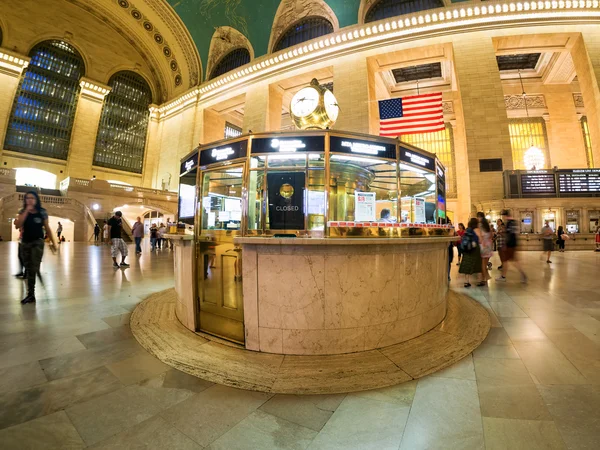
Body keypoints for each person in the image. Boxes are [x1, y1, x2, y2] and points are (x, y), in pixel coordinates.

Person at [14, 191, 56, 304]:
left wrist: (53, 243)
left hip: (37, 243)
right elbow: (17, 225)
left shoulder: (42, 212)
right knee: (29, 268)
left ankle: (31, 294)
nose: (30, 200)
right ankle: (32, 293)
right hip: (25, 243)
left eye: (32, 198)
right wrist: (27, 211)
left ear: (36, 199)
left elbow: (47, 228)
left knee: (32, 268)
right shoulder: (23, 211)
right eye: (27, 198)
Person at [496, 210, 527, 283]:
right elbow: (515, 233)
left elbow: (508, 235)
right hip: (514, 243)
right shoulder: (514, 222)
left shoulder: (509, 223)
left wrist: (505, 244)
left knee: (505, 261)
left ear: (505, 216)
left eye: (503, 216)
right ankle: (522, 274)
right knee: (512, 261)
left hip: (509, 245)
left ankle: (504, 276)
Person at [459, 218, 482, 288]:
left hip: (467, 249)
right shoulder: (477, 230)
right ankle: (479, 281)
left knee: (467, 263)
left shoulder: (467, 230)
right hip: (475, 248)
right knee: (477, 264)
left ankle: (466, 281)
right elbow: (480, 240)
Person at [477, 217, 493, 286]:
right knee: (485, 263)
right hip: (488, 246)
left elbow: (480, 236)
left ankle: (484, 279)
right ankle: (485, 278)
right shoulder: (488, 227)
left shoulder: (480, 226)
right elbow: (491, 236)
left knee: (482, 264)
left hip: (483, 246)